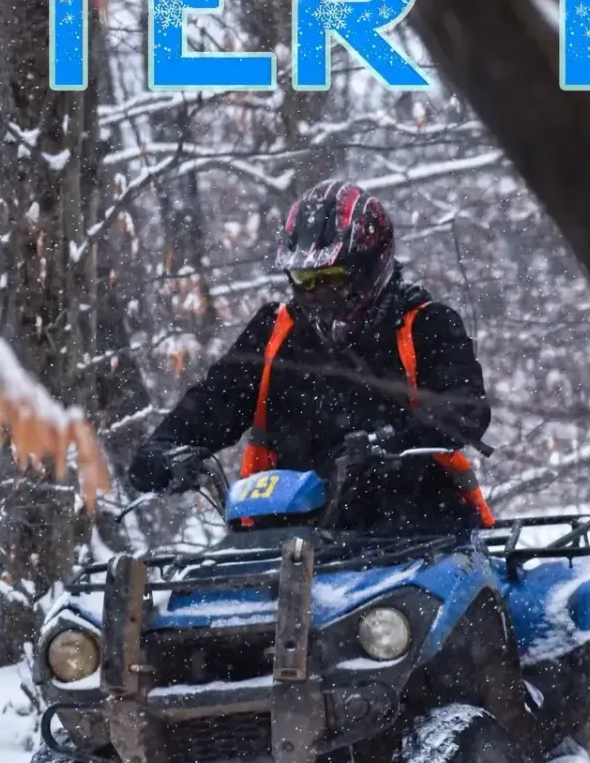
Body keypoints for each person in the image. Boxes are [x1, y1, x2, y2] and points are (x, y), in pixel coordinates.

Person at [127, 180, 495, 533]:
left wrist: (388, 443)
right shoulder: (274, 331)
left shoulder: (426, 324)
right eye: (306, 279)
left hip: (414, 532)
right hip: (285, 539)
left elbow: (463, 406)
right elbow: (217, 399)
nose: (317, 294)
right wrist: (166, 445)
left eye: (332, 277)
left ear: (370, 266)